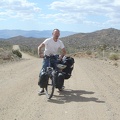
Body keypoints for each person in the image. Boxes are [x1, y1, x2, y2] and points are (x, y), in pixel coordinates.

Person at [38, 29, 66, 95]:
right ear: (52, 34)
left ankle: (59, 85)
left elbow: (64, 51)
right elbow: (39, 47)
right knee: (44, 71)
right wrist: (40, 54)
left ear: (59, 34)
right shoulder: (48, 40)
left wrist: (61, 56)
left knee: (58, 71)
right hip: (47, 57)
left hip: (55, 57)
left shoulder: (60, 42)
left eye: (58, 34)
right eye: (55, 33)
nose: (57, 35)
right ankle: (42, 88)